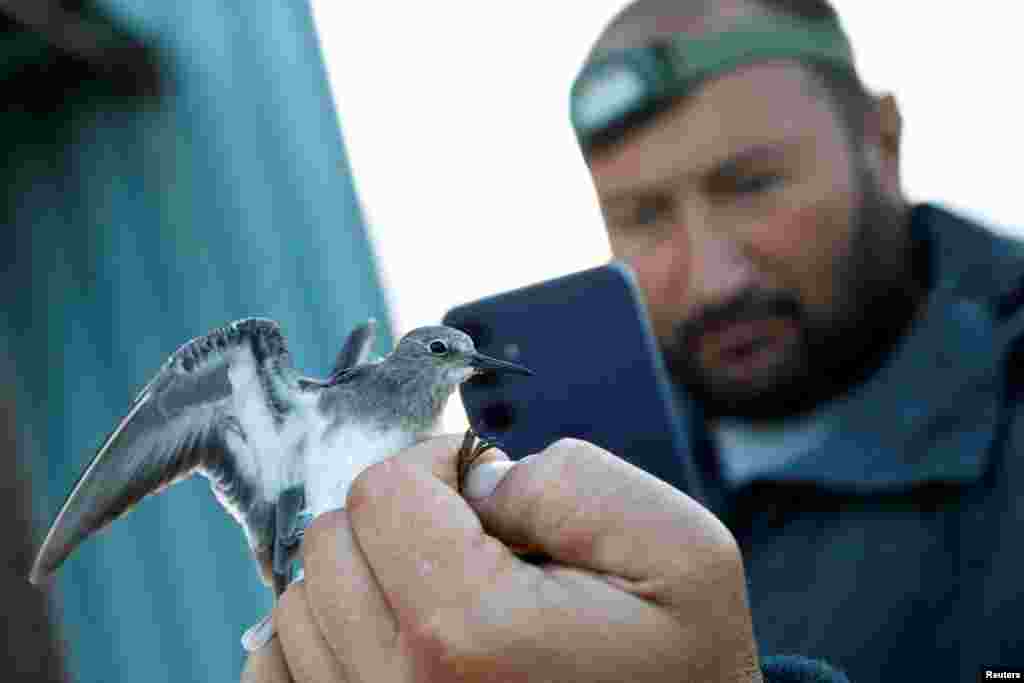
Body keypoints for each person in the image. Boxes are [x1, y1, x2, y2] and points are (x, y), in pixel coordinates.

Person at [245, 1, 1024, 681]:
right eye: (645, 216)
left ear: (881, 142)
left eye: (752, 185)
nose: (713, 277)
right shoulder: (545, 479)